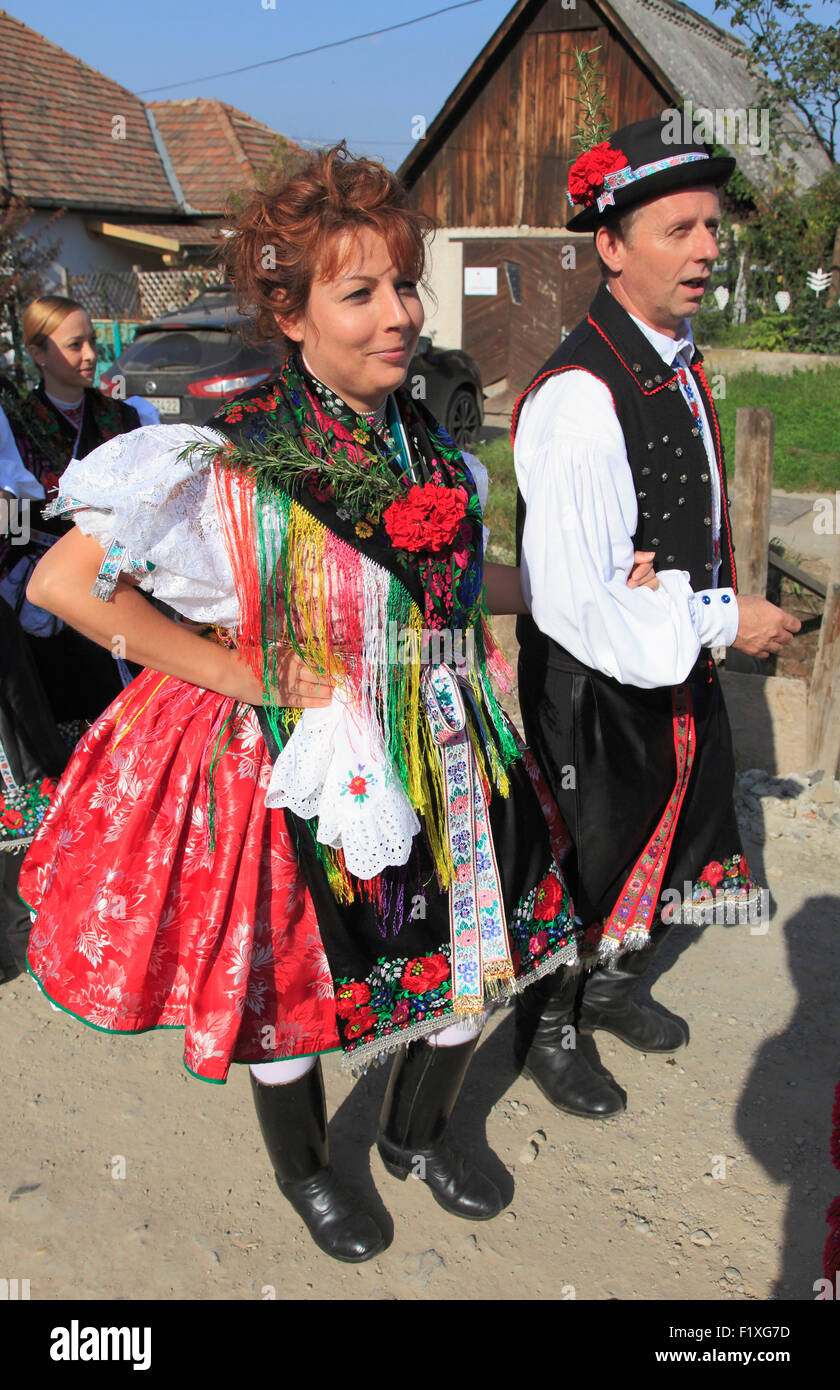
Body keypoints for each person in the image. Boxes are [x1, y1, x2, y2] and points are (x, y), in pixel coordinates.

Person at [20, 146, 588, 1264]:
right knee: (291, 984)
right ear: (289, 309)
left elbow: (455, 586)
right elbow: (62, 583)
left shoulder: (426, 440)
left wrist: (575, 591)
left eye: (405, 284)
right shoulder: (228, 455)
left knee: (474, 957)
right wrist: (240, 672)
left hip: (445, 733)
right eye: (360, 291)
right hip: (299, 752)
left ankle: (416, 1135)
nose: (400, 314)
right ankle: (308, 1170)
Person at [512, 116, 801, 1120]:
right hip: (593, 681)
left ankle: (615, 986)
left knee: (672, 827)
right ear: (611, 243)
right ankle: (548, 1026)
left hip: (666, 650)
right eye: (678, 229)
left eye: (710, 228)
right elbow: (581, 602)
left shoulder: (669, 353)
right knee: (586, 849)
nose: (708, 250)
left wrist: (681, 601)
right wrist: (722, 615)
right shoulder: (583, 397)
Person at [0, 300, 155, 725]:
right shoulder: (13, 424)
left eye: (92, 341)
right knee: (70, 695)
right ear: (37, 353)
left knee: (131, 686)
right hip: (50, 583)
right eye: (74, 344)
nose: (90, 355)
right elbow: (9, 511)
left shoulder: (125, 415)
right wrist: (22, 560)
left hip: (121, 572)